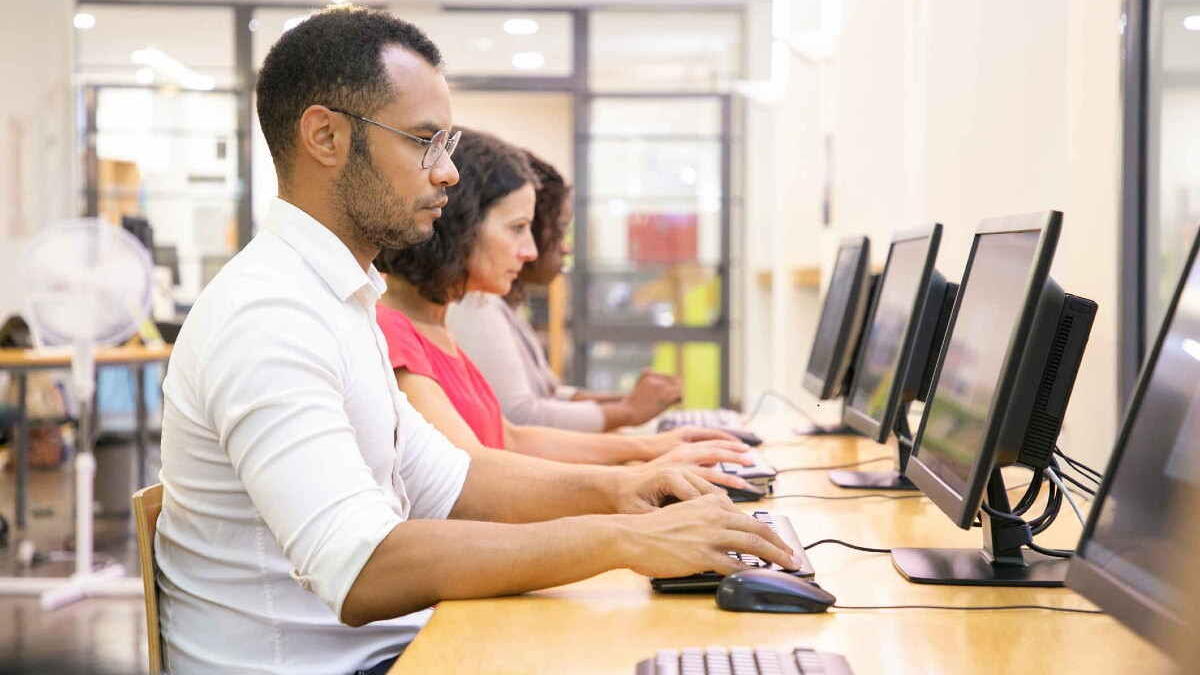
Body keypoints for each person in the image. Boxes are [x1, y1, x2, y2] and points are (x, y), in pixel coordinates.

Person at [153, 8, 794, 675]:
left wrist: (628, 490)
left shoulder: (336, 300)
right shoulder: (269, 315)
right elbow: (362, 567)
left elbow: (459, 479)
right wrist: (626, 536)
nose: (448, 172)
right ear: (325, 136)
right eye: (423, 141)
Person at [373, 128, 758, 491]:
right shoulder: (397, 331)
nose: (531, 251)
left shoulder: (438, 326)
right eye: (517, 227)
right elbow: (473, 477)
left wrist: (651, 450)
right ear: (461, 227)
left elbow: (512, 438)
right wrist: (634, 480)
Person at [448, 152, 682, 432]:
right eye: (558, 231)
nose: (564, 247)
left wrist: (631, 403)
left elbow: (545, 394)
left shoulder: (497, 304)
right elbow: (519, 416)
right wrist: (628, 413)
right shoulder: (472, 304)